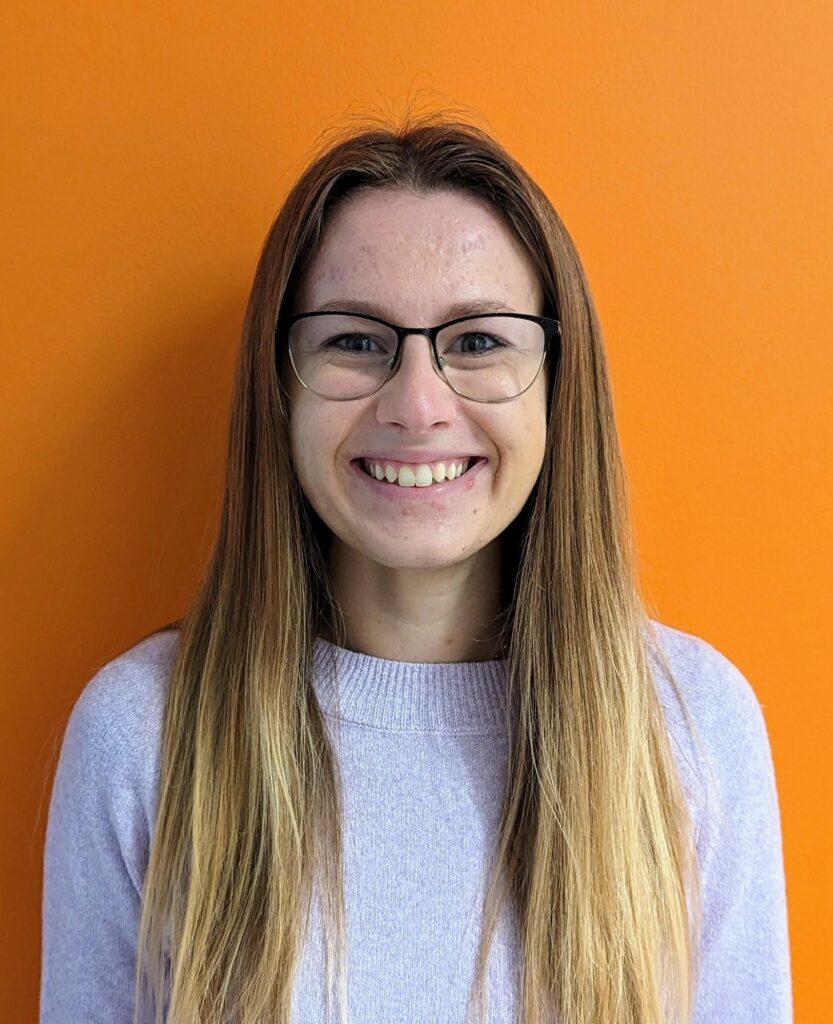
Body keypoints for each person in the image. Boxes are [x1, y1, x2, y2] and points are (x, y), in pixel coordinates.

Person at [40, 112, 792, 1024]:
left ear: (559, 384)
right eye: (354, 341)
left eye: (477, 341)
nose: (418, 405)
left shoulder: (693, 726)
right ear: (279, 386)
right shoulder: (141, 735)